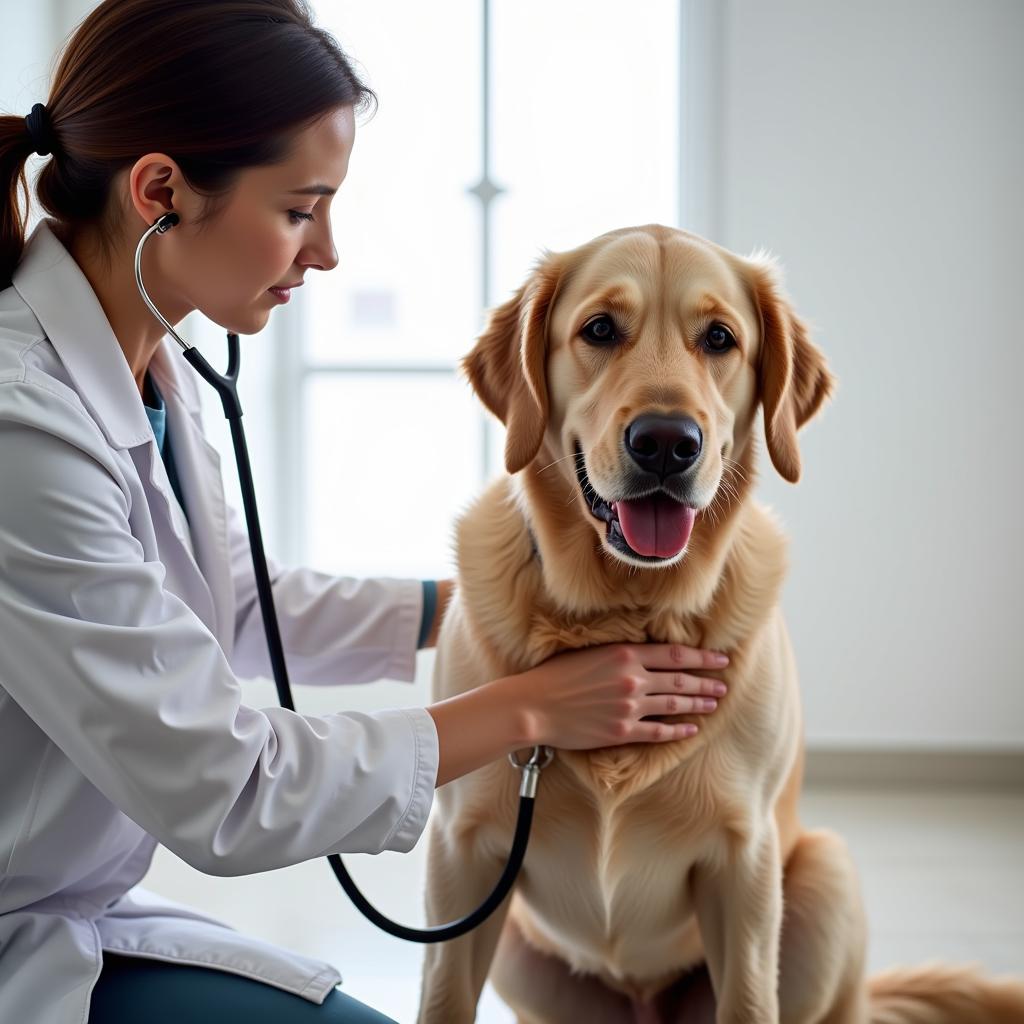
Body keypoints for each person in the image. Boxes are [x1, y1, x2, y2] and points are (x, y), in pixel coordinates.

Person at [0, 1, 730, 1021]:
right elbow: (230, 790)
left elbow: (225, 606)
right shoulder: (20, 425)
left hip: (68, 903)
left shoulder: (153, 363)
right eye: (301, 208)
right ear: (160, 191)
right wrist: (527, 706)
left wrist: (467, 604)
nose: (327, 249)